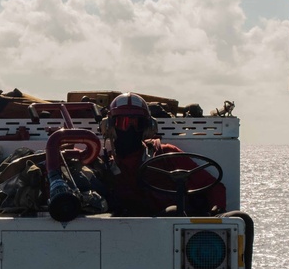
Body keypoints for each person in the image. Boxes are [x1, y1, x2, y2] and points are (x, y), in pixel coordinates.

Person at [95, 92, 226, 216]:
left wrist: (216, 212)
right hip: (119, 231)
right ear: (109, 127)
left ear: (148, 127)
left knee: (173, 212)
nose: (130, 129)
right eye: (123, 123)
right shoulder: (104, 166)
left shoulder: (167, 155)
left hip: (170, 230)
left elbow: (213, 186)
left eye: (137, 124)